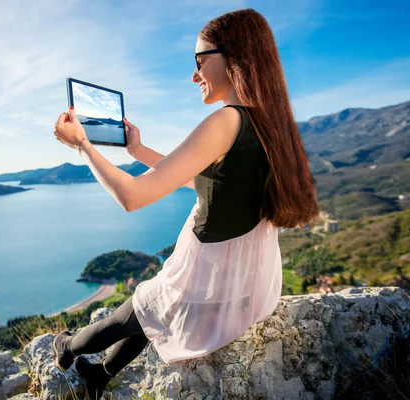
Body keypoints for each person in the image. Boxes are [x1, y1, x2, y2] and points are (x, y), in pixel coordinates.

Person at [52, 8, 319, 399]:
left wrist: (84, 145)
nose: (194, 76)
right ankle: (100, 374)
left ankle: (66, 349)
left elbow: (132, 197)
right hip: (248, 276)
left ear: (236, 58)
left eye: (199, 62)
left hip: (207, 267)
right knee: (152, 313)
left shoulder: (226, 120)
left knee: (136, 311)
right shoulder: (269, 124)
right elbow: (207, 180)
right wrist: (139, 150)